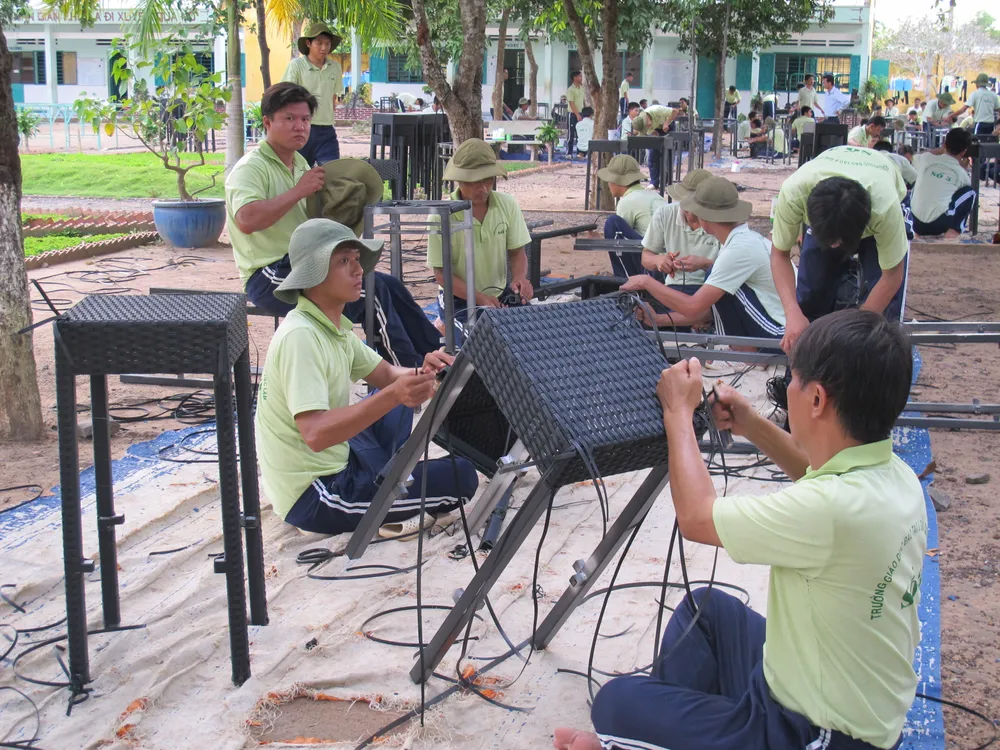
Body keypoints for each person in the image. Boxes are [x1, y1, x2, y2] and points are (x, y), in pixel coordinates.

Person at [554, 307, 926, 750]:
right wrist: (750, 423)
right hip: (831, 691)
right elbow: (813, 470)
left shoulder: (829, 511)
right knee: (704, 614)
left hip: (814, 735)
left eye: (793, 378)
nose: (787, 387)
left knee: (613, 707)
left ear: (816, 401)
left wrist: (678, 412)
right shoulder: (893, 473)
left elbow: (696, 517)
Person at [255, 218, 479, 537]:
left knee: (395, 396)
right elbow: (316, 434)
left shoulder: (333, 328)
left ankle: (385, 481)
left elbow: (387, 373)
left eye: (357, 260)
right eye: (344, 261)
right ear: (313, 275)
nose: (358, 270)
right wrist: (395, 393)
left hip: (339, 459)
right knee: (462, 476)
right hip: (315, 494)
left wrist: (423, 372)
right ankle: (370, 504)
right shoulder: (300, 337)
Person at [226, 83, 442, 369]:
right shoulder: (251, 167)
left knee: (390, 286)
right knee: (370, 292)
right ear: (267, 122)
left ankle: (438, 358)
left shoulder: (301, 164)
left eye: (305, 119)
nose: (300, 127)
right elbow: (246, 221)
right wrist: (299, 191)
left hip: (306, 263)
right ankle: (406, 375)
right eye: (289, 119)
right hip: (268, 275)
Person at [770, 145, 910, 354]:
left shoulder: (885, 207)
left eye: (839, 241)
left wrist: (854, 332)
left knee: (882, 317)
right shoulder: (794, 193)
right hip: (830, 212)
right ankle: (806, 367)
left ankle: (876, 366)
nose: (835, 246)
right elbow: (779, 255)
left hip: (877, 196)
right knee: (811, 294)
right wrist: (792, 313)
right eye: (830, 241)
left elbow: (892, 276)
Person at [621, 176, 785, 340]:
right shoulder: (746, 239)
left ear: (704, 217)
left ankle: (744, 352)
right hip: (781, 325)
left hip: (779, 334)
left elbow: (694, 308)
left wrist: (646, 282)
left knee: (722, 283)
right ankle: (742, 352)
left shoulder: (737, 251)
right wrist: (658, 319)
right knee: (719, 280)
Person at [426, 139, 533, 344]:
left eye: (488, 180)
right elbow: (441, 275)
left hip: (500, 295)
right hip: (458, 300)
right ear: (459, 180)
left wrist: (520, 278)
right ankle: (444, 322)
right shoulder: (439, 216)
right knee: (483, 345)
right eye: (474, 182)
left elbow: (517, 252)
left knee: (532, 335)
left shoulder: (507, 204)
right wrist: (478, 298)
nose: (482, 188)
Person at [639, 169, 720, 295]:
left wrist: (705, 264)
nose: (690, 213)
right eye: (686, 205)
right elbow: (646, 257)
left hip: (713, 287)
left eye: (695, 207)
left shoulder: (722, 221)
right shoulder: (665, 213)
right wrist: (659, 260)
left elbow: (733, 270)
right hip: (674, 286)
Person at [280, 22, 344, 165]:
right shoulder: (296, 66)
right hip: (300, 128)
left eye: (327, 44)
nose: (324, 48)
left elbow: (334, 96)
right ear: (308, 43)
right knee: (297, 174)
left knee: (332, 174)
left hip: (326, 129)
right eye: (319, 43)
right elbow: (285, 95)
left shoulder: (335, 68)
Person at [596, 155, 667, 278]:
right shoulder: (654, 196)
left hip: (654, 266)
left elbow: (619, 239)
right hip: (668, 263)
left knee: (613, 224)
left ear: (616, 181)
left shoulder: (627, 202)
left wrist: (599, 241)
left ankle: (624, 278)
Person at [910, 128, 975, 239]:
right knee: (970, 193)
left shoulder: (926, 159)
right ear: (964, 151)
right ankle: (954, 230)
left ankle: (917, 233)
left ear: (944, 143)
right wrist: (963, 167)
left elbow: (916, 156)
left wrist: (942, 149)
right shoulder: (961, 173)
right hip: (940, 224)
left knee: (919, 182)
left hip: (915, 222)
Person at [631, 104, 682, 190]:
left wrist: (666, 123)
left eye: (646, 126)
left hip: (668, 125)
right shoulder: (647, 126)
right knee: (653, 156)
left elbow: (675, 111)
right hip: (657, 130)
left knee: (667, 156)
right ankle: (654, 182)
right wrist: (657, 140)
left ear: (647, 118)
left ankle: (666, 182)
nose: (647, 127)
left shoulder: (656, 110)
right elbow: (654, 133)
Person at [566, 70, 586, 158]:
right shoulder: (570, 90)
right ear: (575, 78)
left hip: (581, 113)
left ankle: (580, 153)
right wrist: (577, 114)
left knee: (580, 134)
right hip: (572, 114)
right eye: (580, 76)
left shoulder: (582, 88)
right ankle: (569, 153)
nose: (581, 78)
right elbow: (571, 103)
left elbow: (583, 101)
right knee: (571, 134)